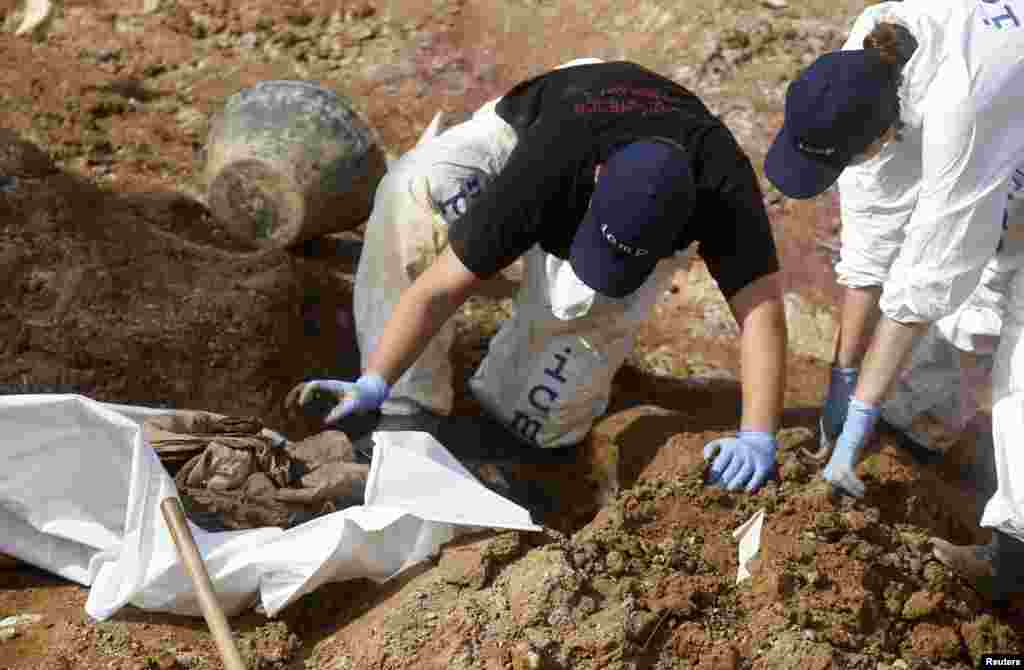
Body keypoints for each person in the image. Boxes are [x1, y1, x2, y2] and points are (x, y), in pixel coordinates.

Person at [288, 58, 789, 494]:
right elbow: (438, 288)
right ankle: (405, 413)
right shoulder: (546, 165)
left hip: (649, 163)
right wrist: (375, 381)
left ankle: (509, 442)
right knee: (417, 193)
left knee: (543, 396)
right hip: (558, 112)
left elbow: (762, 314)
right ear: (595, 182)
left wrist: (758, 436)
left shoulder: (725, 190)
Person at [764, 1, 1024, 601]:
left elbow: (926, 279)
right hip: (1003, 114)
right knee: (973, 302)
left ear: (885, 133)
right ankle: (914, 433)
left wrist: (856, 419)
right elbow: (874, 229)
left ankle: (1015, 560)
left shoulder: (962, 106)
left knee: (1017, 372)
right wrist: (844, 375)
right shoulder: (868, 51)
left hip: (1003, 113)